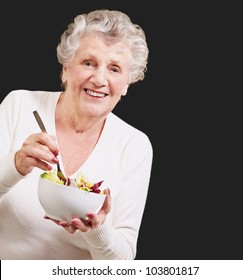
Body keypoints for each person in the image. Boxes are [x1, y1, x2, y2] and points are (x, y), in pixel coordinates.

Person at [0, 9, 153, 260]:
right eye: (88, 63)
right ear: (66, 69)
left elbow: (123, 262)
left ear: (127, 83)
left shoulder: (134, 145)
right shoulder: (19, 105)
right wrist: (15, 166)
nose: (99, 79)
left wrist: (97, 229)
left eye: (115, 69)